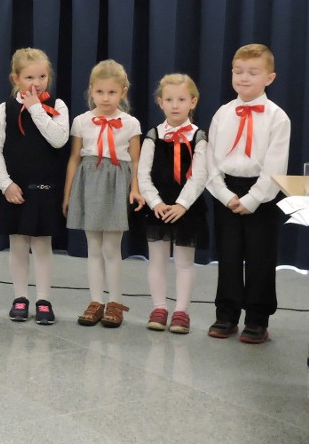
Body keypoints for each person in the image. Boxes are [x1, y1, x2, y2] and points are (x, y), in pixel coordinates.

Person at [206, 43, 290, 344]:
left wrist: (253, 198)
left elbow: (275, 165)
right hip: (226, 191)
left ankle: (257, 318)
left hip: (263, 195)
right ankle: (226, 314)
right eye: (238, 71)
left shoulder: (277, 117)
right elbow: (210, 159)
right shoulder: (222, 113)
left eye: (253, 72)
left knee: (260, 257)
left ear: (269, 78)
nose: (243, 77)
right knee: (228, 256)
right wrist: (223, 193)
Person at [0, 48, 69, 324]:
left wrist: (36, 108)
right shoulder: (3, 110)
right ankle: (20, 297)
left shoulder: (57, 106)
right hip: (16, 190)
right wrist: (5, 184)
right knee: (19, 244)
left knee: (43, 245)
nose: (36, 83)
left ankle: (43, 299)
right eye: (29, 77)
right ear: (16, 78)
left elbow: (58, 140)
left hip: (45, 188)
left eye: (43, 76)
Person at [63, 59, 145, 328]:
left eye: (112, 92)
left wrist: (135, 188)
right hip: (88, 182)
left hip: (115, 182)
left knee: (112, 248)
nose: (105, 98)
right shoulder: (81, 121)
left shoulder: (131, 123)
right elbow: (75, 158)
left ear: (123, 91)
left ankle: (115, 302)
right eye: (100, 92)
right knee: (93, 247)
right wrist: (68, 194)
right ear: (91, 90)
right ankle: (96, 301)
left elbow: (135, 161)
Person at [138, 74, 208, 334]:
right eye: (169, 100)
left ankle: (181, 311)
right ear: (160, 102)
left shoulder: (199, 137)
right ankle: (159, 307)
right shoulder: (153, 135)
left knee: (184, 262)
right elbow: (143, 174)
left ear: (193, 102)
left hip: (186, 209)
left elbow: (199, 176)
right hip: (157, 207)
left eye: (181, 99)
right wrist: (155, 202)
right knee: (156, 260)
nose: (175, 105)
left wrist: (182, 204)